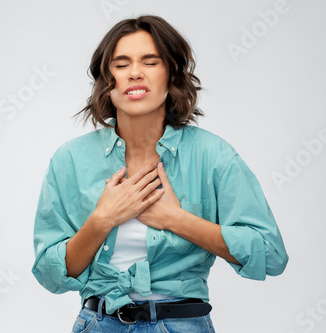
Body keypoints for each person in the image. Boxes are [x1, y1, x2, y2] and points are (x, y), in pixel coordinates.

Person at [32, 15, 288, 333]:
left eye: (150, 62)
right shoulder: (69, 160)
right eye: (121, 64)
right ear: (106, 79)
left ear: (171, 74)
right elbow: (49, 274)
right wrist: (102, 219)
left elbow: (271, 254)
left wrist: (175, 219)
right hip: (98, 325)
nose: (135, 73)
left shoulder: (213, 155)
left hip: (182, 325)